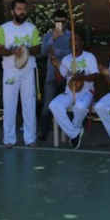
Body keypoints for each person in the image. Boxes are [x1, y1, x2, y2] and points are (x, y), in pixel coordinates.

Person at [0, 0, 41, 148]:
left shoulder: (32, 28)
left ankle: (30, 139)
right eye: (19, 9)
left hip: (28, 71)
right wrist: (13, 51)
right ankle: (9, 139)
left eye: (24, 9)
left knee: (29, 105)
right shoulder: (4, 28)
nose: (22, 12)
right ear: (12, 11)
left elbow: (37, 48)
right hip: (10, 72)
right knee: (9, 105)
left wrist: (26, 50)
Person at [48, 29, 99, 149]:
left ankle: (73, 132)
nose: (72, 42)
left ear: (81, 43)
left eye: (75, 40)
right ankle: (74, 133)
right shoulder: (66, 59)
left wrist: (81, 77)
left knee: (80, 107)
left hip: (86, 92)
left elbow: (95, 76)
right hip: (69, 92)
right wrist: (56, 66)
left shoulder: (89, 57)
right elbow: (60, 80)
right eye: (70, 40)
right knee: (53, 105)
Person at [38, 10, 71, 141]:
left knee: (69, 104)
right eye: (58, 21)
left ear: (66, 21)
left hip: (68, 75)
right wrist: (53, 39)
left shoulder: (71, 35)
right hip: (52, 75)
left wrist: (57, 51)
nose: (60, 24)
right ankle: (44, 132)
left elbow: (73, 52)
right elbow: (44, 52)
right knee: (48, 104)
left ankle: (70, 132)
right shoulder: (48, 36)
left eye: (62, 21)